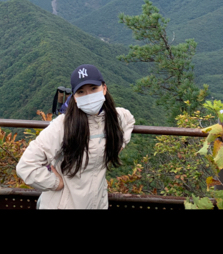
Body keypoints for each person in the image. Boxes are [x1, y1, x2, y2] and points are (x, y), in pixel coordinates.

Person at [16, 64, 135, 209]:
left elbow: (129, 120)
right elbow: (26, 166)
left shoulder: (114, 118)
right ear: (75, 98)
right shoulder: (63, 125)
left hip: (97, 203)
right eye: (81, 92)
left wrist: (117, 147)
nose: (89, 96)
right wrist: (56, 183)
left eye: (93, 89)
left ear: (104, 89)